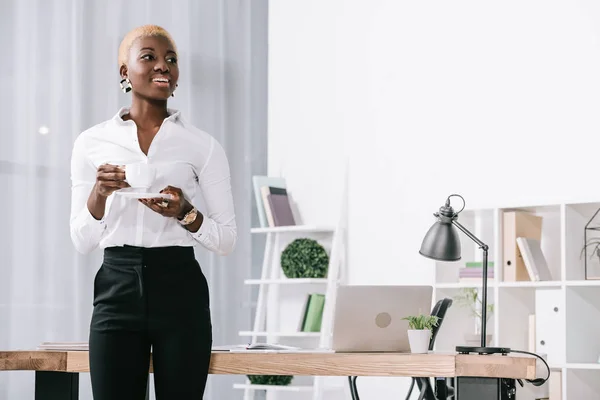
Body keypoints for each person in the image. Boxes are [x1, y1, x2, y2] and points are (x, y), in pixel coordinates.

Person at [69, 24, 236, 399]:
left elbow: (226, 239)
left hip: (181, 291)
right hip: (117, 287)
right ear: (124, 72)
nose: (164, 66)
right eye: (149, 57)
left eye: (171, 60)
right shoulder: (92, 143)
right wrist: (99, 193)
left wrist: (185, 212)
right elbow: (81, 240)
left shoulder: (202, 146)